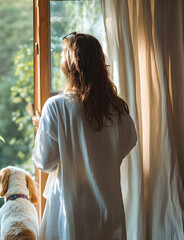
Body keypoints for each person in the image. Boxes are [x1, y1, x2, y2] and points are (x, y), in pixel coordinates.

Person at [32, 32, 137, 240]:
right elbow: (125, 145)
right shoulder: (118, 108)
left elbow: (45, 162)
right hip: (109, 211)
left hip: (70, 213)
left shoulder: (56, 107)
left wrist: (41, 129)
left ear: (70, 65)